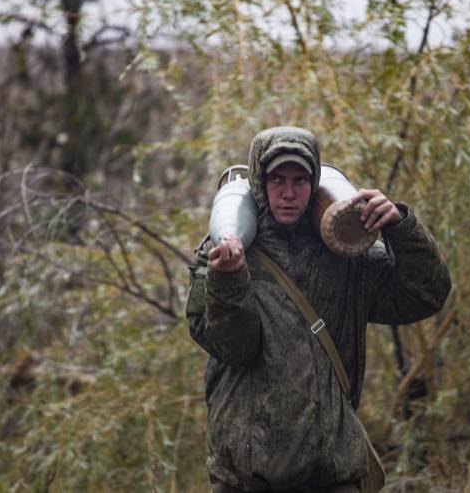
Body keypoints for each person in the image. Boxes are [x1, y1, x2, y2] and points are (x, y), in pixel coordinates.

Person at [185, 126, 451, 492]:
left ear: (315, 183)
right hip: (245, 479)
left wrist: (400, 228)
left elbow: (425, 294)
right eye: (277, 180)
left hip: (331, 474)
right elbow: (234, 347)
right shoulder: (219, 253)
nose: (289, 193)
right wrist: (229, 278)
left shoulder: (346, 251)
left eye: (300, 180)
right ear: (259, 183)